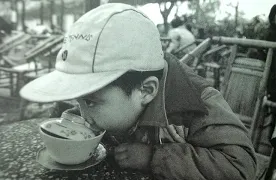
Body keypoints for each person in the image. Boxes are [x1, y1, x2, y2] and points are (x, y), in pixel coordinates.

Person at [20, 3, 256, 180]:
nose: (83, 114)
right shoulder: (119, 96)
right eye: (78, 100)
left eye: (90, 102)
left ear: (146, 90)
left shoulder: (197, 104)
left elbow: (240, 167)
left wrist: (153, 157)